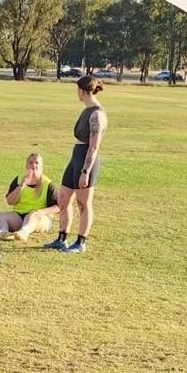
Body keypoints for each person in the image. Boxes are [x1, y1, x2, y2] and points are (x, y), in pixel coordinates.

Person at [44, 75, 107, 255]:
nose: (76, 94)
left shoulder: (97, 114)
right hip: (75, 157)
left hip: (86, 161)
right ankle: (61, 239)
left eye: (77, 90)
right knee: (63, 199)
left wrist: (85, 171)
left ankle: (80, 242)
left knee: (83, 203)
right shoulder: (86, 110)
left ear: (82, 90)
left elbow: (94, 146)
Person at [0, 153, 59, 241]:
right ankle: (4, 232)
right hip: (19, 216)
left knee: (32, 215)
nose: (33, 165)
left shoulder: (48, 184)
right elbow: (10, 202)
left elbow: (58, 207)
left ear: (41, 166)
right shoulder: (19, 180)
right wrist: (21, 186)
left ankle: (23, 232)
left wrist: (43, 212)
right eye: (31, 162)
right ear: (26, 165)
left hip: (39, 217)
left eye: (37, 163)